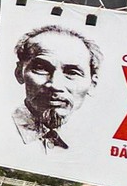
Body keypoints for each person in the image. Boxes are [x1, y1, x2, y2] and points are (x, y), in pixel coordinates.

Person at [10, 24, 102, 154]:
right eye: (41, 68)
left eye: (72, 72)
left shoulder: (91, 145)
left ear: (92, 84)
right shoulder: (0, 130)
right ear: (19, 72)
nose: (55, 85)